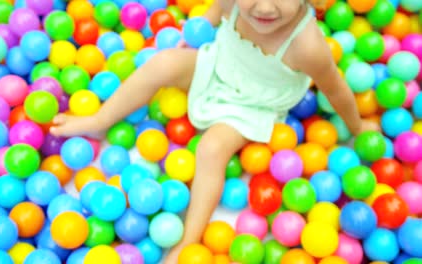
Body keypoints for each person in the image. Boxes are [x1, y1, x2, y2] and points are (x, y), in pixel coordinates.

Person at [50, 0, 379, 262]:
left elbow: (336, 90)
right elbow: (215, 11)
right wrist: (200, 26)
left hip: (255, 102)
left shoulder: (306, 46)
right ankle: (99, 120)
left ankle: (188, 239)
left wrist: (357, 126)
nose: (264, 7)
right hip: (220, 65)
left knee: (211, 148)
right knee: (163, 62)